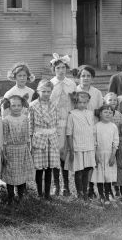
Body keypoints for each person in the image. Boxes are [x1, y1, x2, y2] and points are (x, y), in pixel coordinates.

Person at [49, 53, 76, 196]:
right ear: (54, 69)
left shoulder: (71, 84)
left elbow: (75, 102)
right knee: (55, 153)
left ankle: (66, 185)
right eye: (58, 68)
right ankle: (56, 185)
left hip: (67, 121)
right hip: (53, 122)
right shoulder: (50, 84)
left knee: (65, 153)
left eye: (63, 67)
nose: (61, 70)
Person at [28, 80, 60, 200]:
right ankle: (39, 192)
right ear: (38, 91)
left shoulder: (54, 105)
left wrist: (56, 136)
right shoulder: (33, 105)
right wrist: (30, 142)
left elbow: (56, 123)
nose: (46, 94)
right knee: (39, 168)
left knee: (49, 168)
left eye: (48, 91)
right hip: (39, 139)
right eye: (43, 91)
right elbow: (30, 125)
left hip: (51, 139)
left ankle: (47, 193)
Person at [2, 95, 34, 205]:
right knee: (10, 173)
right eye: (13, 105)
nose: (16, 108)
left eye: (19, 105)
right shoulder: (6, 120)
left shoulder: (25, 118)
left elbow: (27, 135)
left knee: (22, 173)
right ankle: (10, 196)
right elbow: (4, 138)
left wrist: (29, 148)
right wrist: (4, 152)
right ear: (9, 107)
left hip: (22, 149)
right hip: (10, 150)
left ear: (22, 106)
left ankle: (21, 196)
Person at [65, 91, 96, 200]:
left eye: (85, 102)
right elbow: (69, 133)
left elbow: (93, 130)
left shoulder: (90, 113)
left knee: (87, 170)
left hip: (89, 146)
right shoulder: (72, 114)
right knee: (79, 171)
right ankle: (79, 193)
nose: (82, 105)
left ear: (87, 102)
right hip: (77, 147)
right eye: (80, 102)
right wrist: (71, 149)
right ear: (76, 102)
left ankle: (85, 191)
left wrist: (94, 146)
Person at [92, 104, 119, 206]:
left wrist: (113, 155)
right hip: (99, 154)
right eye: (105, 112)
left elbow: (115, 142)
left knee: (108, 177)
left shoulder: (113, 127)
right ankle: (101, 196)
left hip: (109, 155)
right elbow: (94, 142)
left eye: (110, 112)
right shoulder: (96, 126)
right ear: (100, 114)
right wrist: (96, 155)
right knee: (100, 176)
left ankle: (107, 195)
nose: (108, 114)